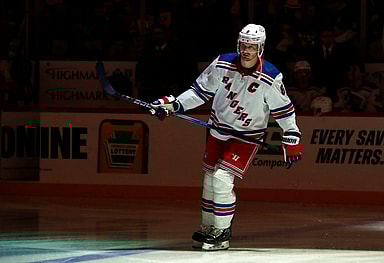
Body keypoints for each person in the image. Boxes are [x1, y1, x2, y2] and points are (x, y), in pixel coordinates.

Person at [150, 24, 303, 251]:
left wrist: (292, 134)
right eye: (243, 45)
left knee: (222, 179)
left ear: (260, 48)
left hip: (246, 138)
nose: (246, 50)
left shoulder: (270, 77)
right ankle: (207, 228)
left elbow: (284, 110)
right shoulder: (222, 63)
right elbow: (199, 92)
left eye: (252, 46)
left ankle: (222, 233)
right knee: (209, 181)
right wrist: (175, 104)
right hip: (217, 130)